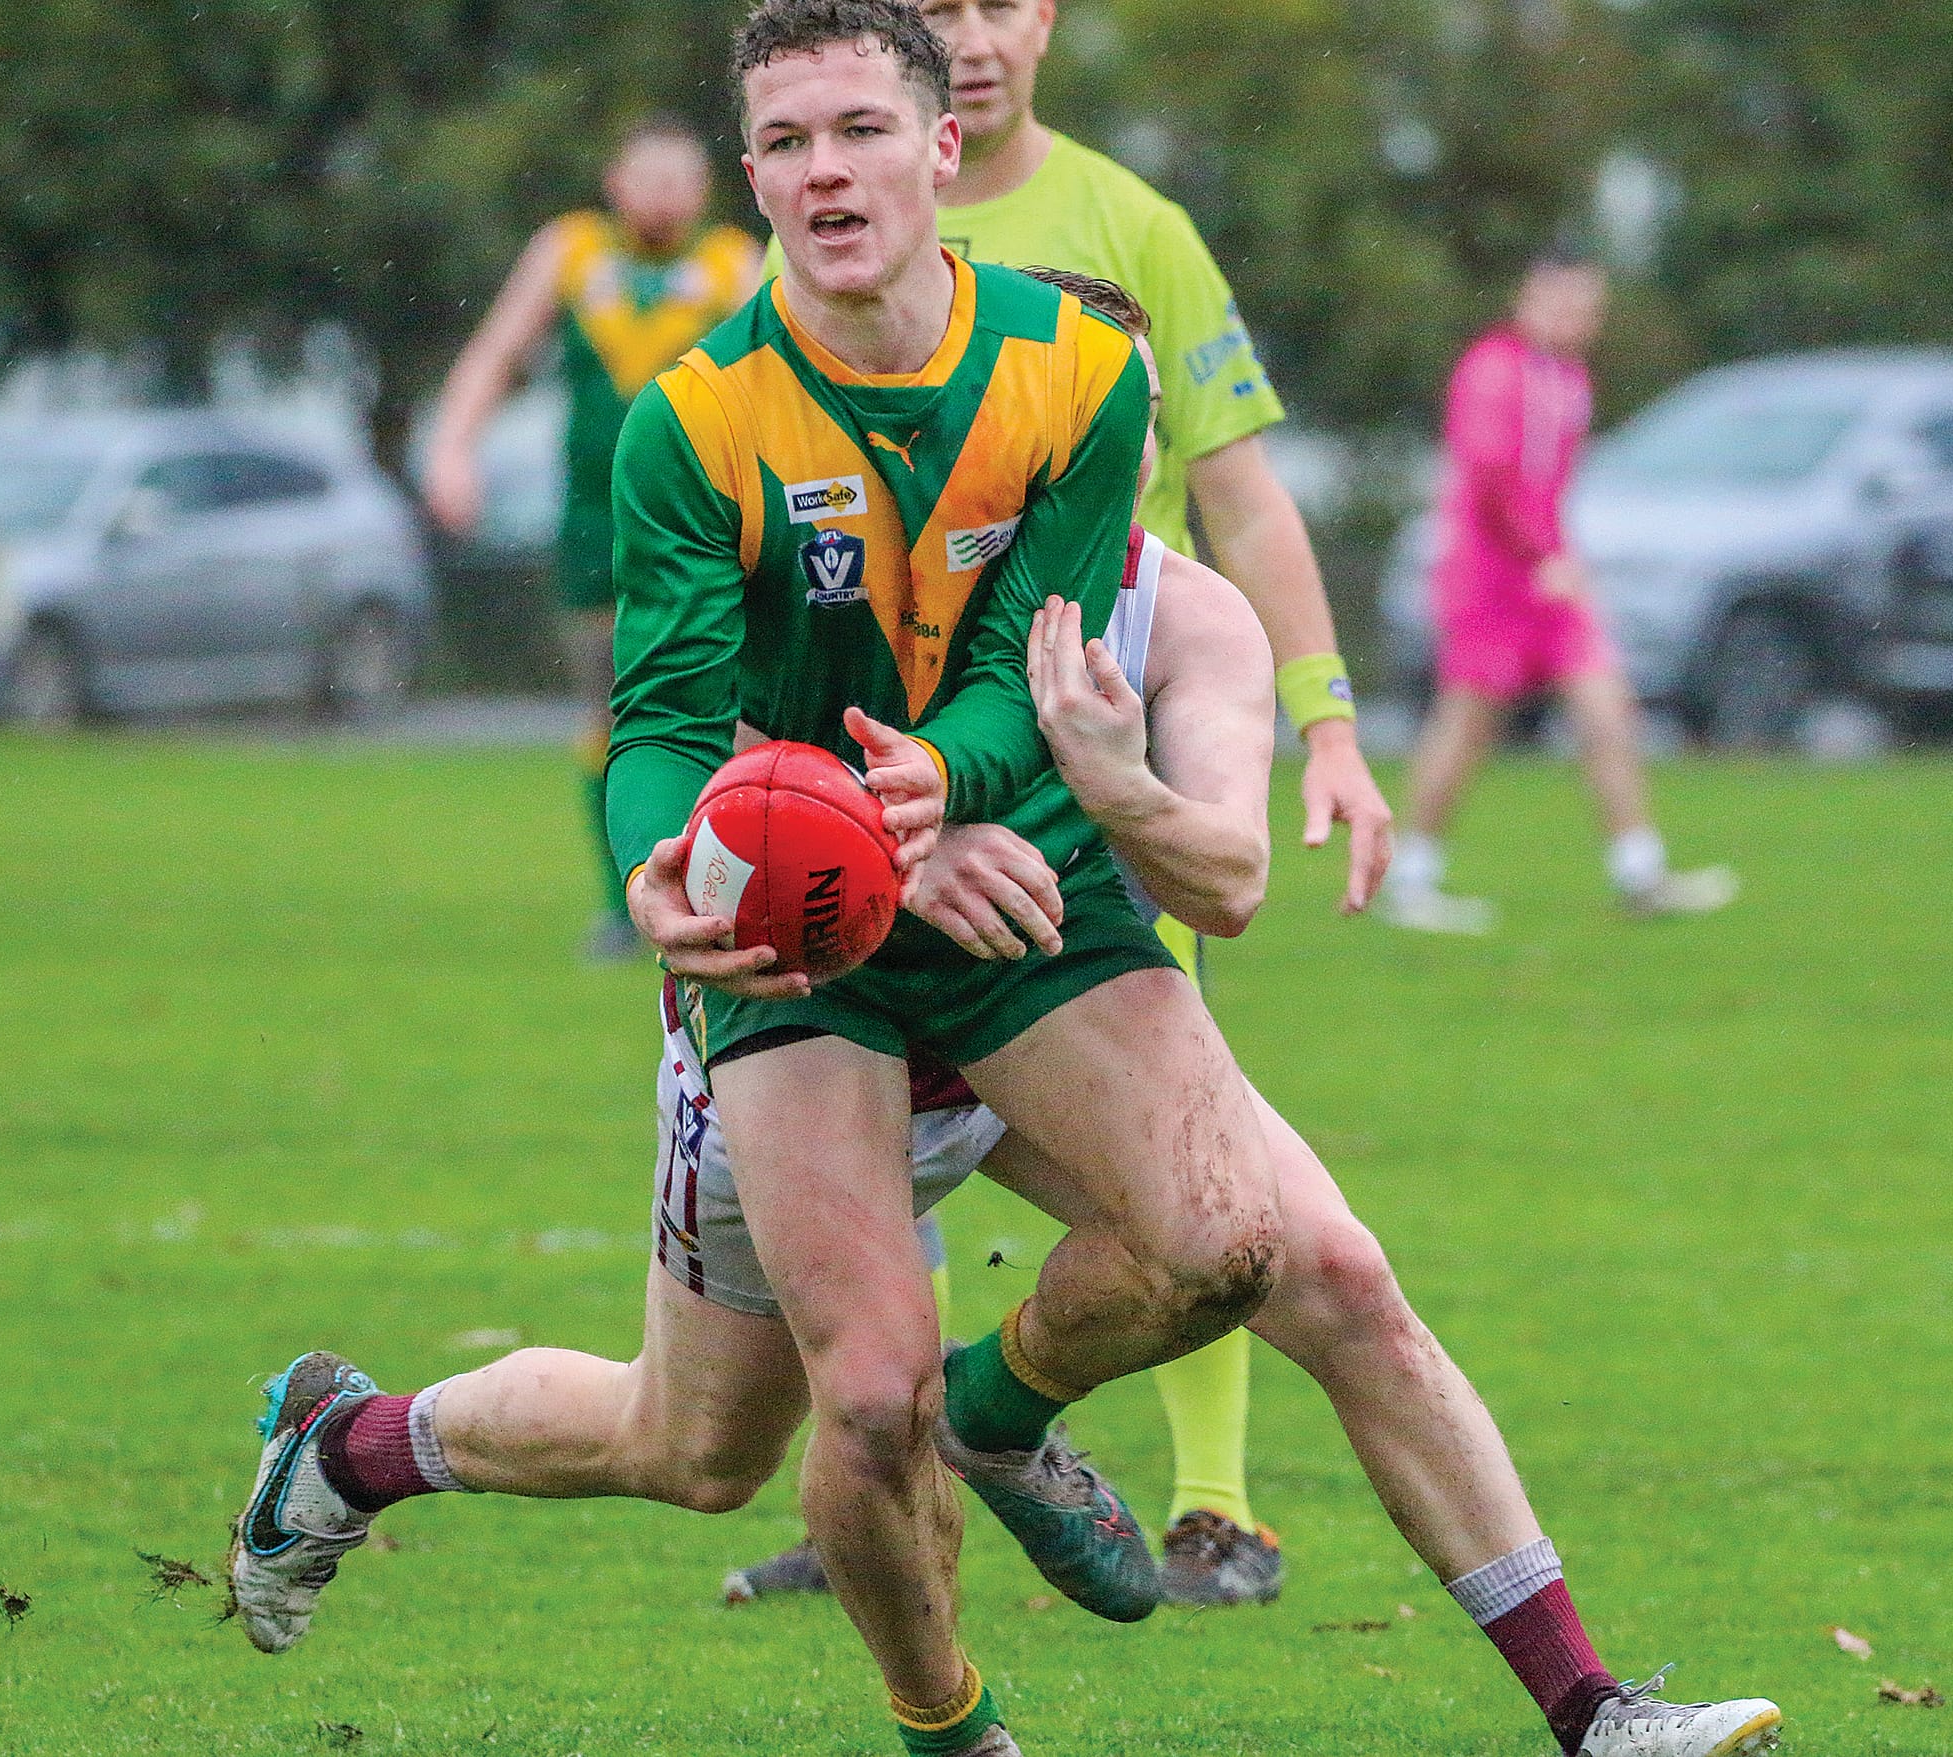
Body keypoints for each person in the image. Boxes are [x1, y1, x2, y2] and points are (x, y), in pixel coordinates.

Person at [225, 268, 1785, 1757]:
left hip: (1037, 1020)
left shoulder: (1187, 621)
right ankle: (356, 1446)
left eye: (1128, 432)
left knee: (1333, 1275)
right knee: (702, 1449)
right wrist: (897, 842)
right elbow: (733, 767)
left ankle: (1590, 1706)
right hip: (813, 1029)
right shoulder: (886, 580)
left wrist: (1115, 788)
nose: (1100, 469)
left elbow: (1233, 877)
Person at [234, 11, 1289, 1756]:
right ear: (752, 178)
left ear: (939, 147)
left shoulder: (1083, 379)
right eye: (786, 142)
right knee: (719, 1444)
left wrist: (950, 773)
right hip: (789, 938)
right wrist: (668, 858)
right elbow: (657, 715)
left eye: (858, 130)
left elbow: (1043, 663)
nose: (824, 171)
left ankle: (1011, 1412)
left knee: (1238, 1241)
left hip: (1002, 901)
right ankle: (354, 1447)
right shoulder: (697, 421)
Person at [746, 0, 1393, 1598]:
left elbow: (1239, 484)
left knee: (1194, 1160)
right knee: (877, 1160)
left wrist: (1324, 718)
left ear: (1039, 23)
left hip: (1116, 727)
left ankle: (1214, 1499)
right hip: (904, 773)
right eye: (935, 4)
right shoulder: (816, 222)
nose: (964, 31)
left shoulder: (1134, 223)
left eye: (992, 1)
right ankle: (897, 1473)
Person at [423, 119, 763, 961]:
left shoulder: (733, 261)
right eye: (648, 175)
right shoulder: (571, 251)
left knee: (730, 707)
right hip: (594, 526)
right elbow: (495, 354)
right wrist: (452, 449)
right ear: (614, 181)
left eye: (682, 176)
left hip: (709, 523)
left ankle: (729, 882)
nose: (664, 193)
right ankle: (626, 895)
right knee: (609, 707)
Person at [1381, 245, 1738, 934]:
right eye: (1564, 302)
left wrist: (1560, 559)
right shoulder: (1492, 370)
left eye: (1588, 307)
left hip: (1550, 579)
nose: (1577, 318)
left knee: (1608, 709)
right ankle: (1411, 874)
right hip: (1492, 581)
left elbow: (1551, 485)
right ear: (1529, 299)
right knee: (1467, 725)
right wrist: (1538, 554)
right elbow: (1488, 476)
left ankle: (1639, 870)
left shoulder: (1568, 377)